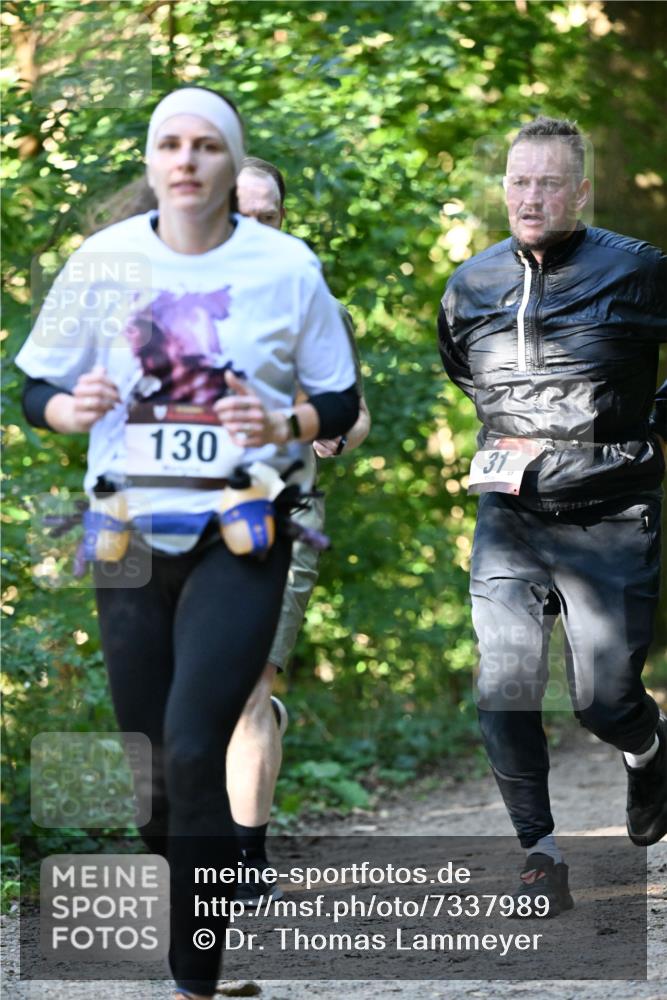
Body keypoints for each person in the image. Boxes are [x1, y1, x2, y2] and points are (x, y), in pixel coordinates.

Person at [17, 86, 359, 1000]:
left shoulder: (286, 267)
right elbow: (32, 390)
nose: (186, 160)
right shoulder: (102, 261)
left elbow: (337, 403)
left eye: (206, 145)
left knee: (195, 738)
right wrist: (66, 407)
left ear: (226, 160)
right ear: (151, 160)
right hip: (125, 531)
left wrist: (286, 418)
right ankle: (192, 886)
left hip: (241, 532)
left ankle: (194, 982)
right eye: (169, 143)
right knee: (152, 769)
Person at [438, 116, 667, 914]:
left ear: (579, 191)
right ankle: (538, 855)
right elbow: (466, 372)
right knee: (502, 682)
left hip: (611, 511)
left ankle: (647, 748)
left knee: (602, 700)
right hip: (509, 513)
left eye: (546, 183)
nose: (529, 197)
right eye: (517, 181)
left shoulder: (636, 271)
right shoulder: (470, 283)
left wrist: (652, 425)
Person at [226, 157, 371, 898]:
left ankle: (244, 867)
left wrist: (333, 436)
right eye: (241, 211)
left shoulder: (312, 304)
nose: (256, 226)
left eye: (270, 214)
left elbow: (354, 413)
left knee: (248, 683)